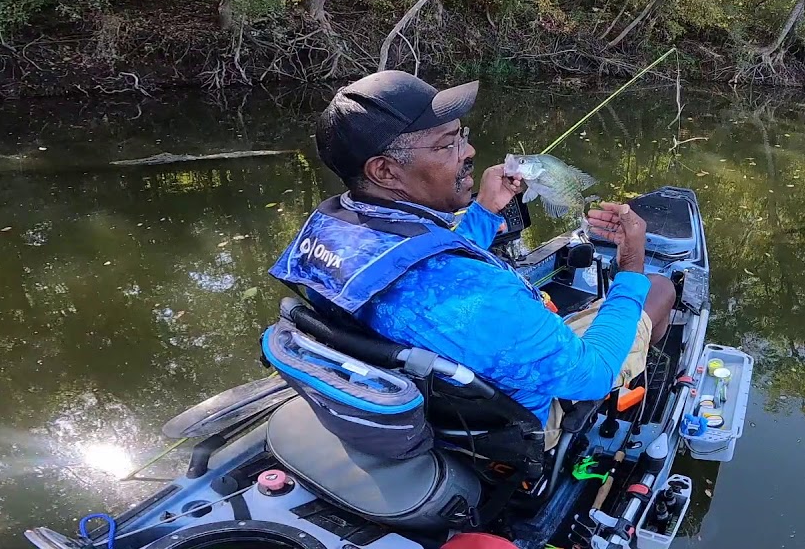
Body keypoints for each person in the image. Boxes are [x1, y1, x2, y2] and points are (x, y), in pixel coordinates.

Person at [269, 71, 676, 448]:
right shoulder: (484, 300)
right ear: (385, 171)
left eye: (460, 135)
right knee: (657, 290)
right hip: (506, 428)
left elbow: (415, 264)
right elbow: (592, 373)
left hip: (419, 396)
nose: (471, 150)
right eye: (449, 144)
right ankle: (637, 382)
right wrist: (631, 260)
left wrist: (483, 211)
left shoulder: (335, 234)